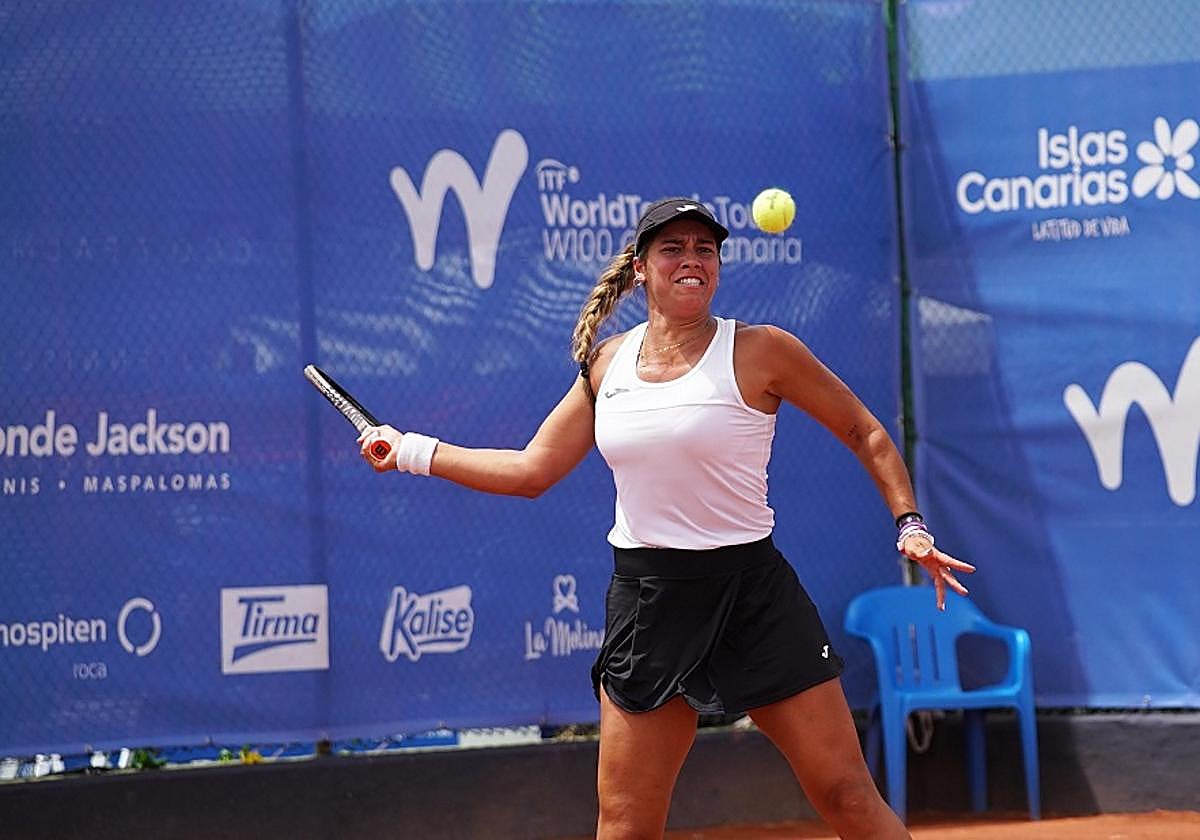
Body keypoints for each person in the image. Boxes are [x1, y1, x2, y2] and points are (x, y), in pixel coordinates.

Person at [358, 196, 974, 840]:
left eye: (704, 250)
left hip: (754, 598)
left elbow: (864, 430)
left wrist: (909, 522)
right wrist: (409, 450)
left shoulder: (763, 350)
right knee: (625, 825)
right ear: (642, 267)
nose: (691, 260)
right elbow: (530, 470)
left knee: (847, 794)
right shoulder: (606, 365)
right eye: (673, 249)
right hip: (650, 604)